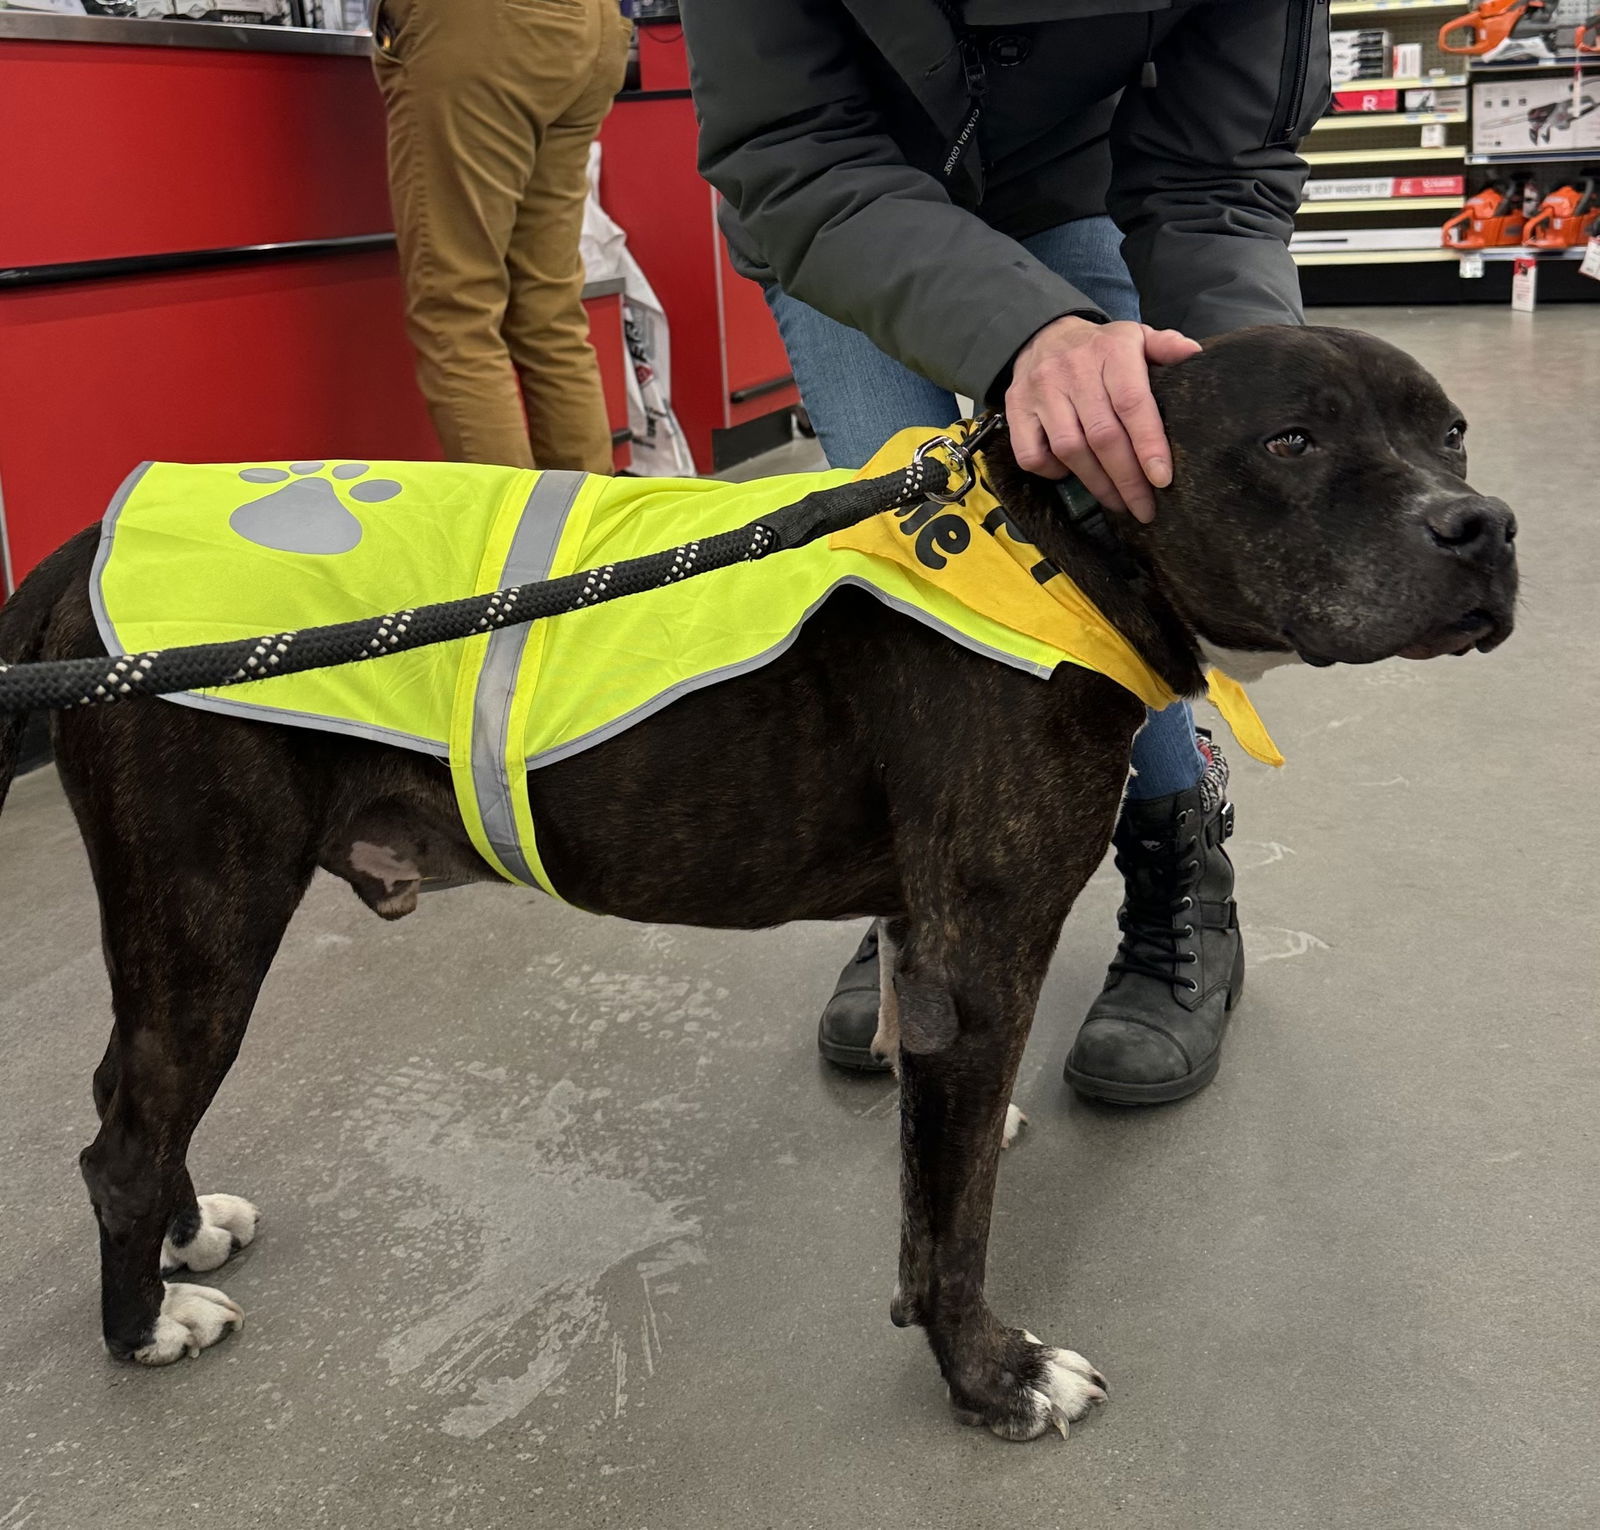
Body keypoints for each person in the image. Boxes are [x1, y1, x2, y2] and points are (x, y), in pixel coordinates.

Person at [682, 0, 1331, 1103]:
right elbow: (787, 139)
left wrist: (1246, 407)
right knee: (904, 540)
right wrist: (1023, 336)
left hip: (1068, 179)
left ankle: (1178, 872)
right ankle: (906, 881)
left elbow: (1220, 178)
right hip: (840, 187)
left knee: (1128, 510)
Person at [370, 0, 633, 471]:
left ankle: (512, 538)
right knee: (549, 312)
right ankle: (590, 534)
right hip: (593, 25)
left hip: (483, 26)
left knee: (459, 309)